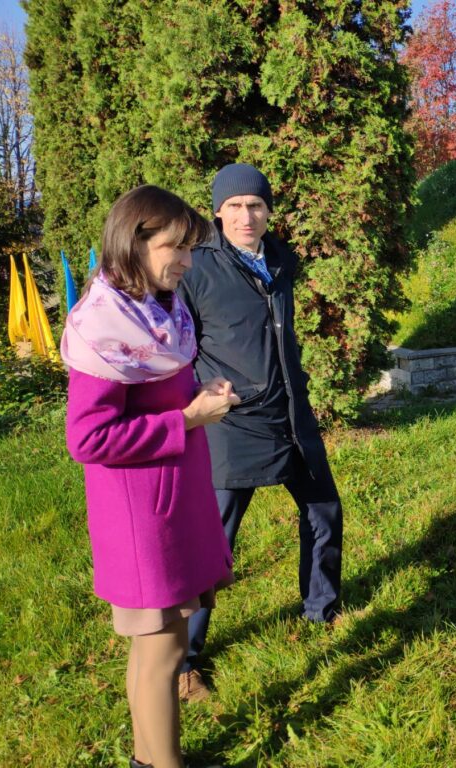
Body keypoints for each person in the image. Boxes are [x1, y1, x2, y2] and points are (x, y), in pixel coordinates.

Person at [62, 185, 239, 768]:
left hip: (170, 503)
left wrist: (197, 394)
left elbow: (155, 392)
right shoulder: (105, 328)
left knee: (158, 649)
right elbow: (88, 439)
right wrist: (186, 419)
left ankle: (150, 761)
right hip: (141, 517)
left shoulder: (154, 310)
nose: (187, 261)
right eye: (175, 248)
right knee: (163, 651)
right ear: (134, 242)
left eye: (190, 248)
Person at [176, 163, 343, 700]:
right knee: (214, 541)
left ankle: (321, 610)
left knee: (323, 511)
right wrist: (201, 396)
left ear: (268, 211)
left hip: (291, 413)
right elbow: (179, 347)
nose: (246, 216)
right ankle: (183, 661)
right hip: (232, 422)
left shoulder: (279, 260)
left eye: (256, 205)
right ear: (217, 212)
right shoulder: (197, 268)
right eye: (235, 206)